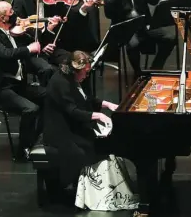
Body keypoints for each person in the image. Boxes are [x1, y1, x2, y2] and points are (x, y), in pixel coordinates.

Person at [43, 50, 138, 211]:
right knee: (89, 149)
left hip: (73, 125)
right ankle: (83, 193)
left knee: (103, 144)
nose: (87, 75)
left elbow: (88, 100)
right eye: (85, 72)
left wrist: (108, 105)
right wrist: (99, 116)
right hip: (61, 130)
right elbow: (72, 111)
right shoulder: (60, 83)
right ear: (75, 69)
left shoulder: (74, 79)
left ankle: (106, 191)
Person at [0, 1, 52, 159]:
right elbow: (5, 53)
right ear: (3, 18)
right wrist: (29, 49)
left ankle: (36, 139)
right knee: (31, 109)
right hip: (2, 88)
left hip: (18, 84)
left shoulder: (9, 31)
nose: (14, 13)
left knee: (49, 96)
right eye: (10, 11)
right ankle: (22, 151)